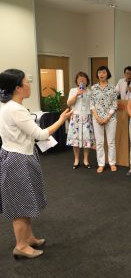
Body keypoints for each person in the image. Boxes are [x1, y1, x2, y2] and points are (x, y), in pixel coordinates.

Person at [0, 69, 72, 259]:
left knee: (25, 201)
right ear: (18, 88)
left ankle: (28, 237)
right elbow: (40, 135)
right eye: (27, 81)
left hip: (16, 155)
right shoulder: (16, 109)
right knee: (20, 205)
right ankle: (21, 246)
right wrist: (62, 119)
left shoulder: (9, 107)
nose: (29, 84)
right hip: (18, 160)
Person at [90, 66, 118, 173]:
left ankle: (112, 163)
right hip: (97, 119)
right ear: (97, 75)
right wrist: (97, 117)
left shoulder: (113, 88)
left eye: (103, 72)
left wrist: (107, 118)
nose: (101, 74)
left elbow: (114, 105)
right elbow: (92, 104)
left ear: (107, 74)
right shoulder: (93, 88)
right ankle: (101, 164)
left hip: (110, 119)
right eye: (99, 72)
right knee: (100, 142)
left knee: (111, 142)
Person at [66, 71, 95, 169]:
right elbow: (69, 104)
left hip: (87, 117)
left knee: (87, 140)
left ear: (87, 81)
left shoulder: (90, 91)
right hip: (76, 117)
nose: (81, 80)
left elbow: (93, 106)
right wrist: (77, 94)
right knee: (75, 140)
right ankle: (76, 159)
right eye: (79, 79)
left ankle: (86, 160)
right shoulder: (73, 90)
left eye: (83, 79)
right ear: (77, 81)